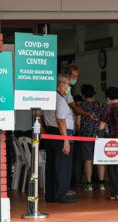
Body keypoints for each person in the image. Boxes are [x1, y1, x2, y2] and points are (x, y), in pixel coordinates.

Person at [43, 74, 76, 203]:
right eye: (68, 84)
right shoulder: (60, 100)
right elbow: (61, 121)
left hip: (50, 132)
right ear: (61, 84)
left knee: (52, 165)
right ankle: (61, 195)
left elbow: (39, 117)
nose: (69, 87)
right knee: (63, 165)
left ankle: (51, 195)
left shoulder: (47, 98)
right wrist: (66, 141)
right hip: (62, 132)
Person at [76, 84, 105, 191]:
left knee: (88, 159)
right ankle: (101, 183)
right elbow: (104, 120)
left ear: (83, 94)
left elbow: (78, 123)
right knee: (100, 159)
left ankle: (89, 184)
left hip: (85, 135)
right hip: (99, 135)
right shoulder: (100, 105)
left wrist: (79, 133)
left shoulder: (81, 106)